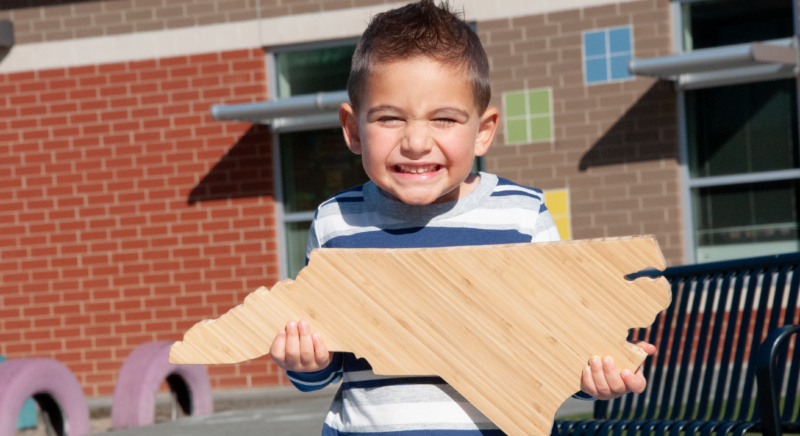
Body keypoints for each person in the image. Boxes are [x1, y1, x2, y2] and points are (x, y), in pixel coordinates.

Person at [269, 1, 655, 434]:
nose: (416, 141)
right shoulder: (336, 222)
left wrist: (596, 376)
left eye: (445, 119)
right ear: (354, 129)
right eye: (390, 118)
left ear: (484, 131)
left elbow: (555, 348)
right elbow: (326, 367)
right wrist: (305, 361)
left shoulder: (522, 215)